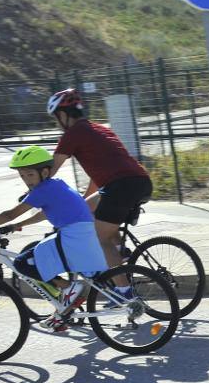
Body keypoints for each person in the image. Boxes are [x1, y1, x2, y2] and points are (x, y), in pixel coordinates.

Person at [0, 146, 108, 331]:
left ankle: (68, 288)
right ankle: (62, 313)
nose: (26, 180)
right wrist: (17, 226)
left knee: (23, 263)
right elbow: (44, 213)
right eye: (22, 176)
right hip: (80, 232)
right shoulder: (55, 184)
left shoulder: (43, 190)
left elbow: (9, 214)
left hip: (73, 235)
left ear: (45, 172)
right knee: (38, 261)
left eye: (30, 174)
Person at [46, 88, 152, 297]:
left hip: (120, 187)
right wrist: (84, 201)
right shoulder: (98, 129)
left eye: (56, 118)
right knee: (87, 209)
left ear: (63, 115)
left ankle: (123, 291)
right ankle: (121, 254)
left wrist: (35, 192)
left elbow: (49, 172)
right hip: (139, 181)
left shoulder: (72, 134)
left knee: (99, 237)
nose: (57, 123)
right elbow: (100, 177)